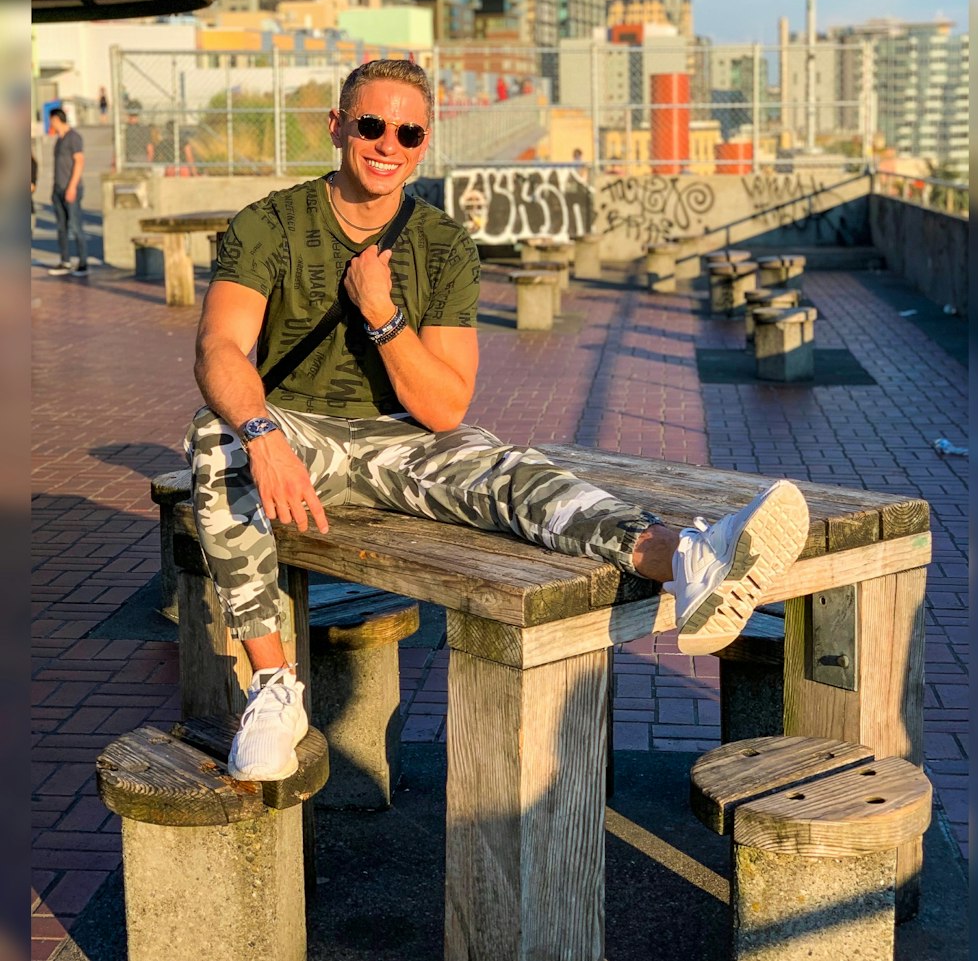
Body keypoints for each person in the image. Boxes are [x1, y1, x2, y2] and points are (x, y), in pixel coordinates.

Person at [187, 59, 809, 782]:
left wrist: (382, 313)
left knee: (514, 474)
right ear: (337, 126)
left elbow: (446, 406)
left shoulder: (442, 243)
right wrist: (263, 435)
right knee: (217, 437)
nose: (388, 143)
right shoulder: (272, 223)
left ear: (424, 144)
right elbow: (218, 347)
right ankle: (274, 688)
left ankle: (690, 560)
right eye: (371, 124)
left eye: (408, 131)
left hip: (404, 436)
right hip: (297, 428)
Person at [47, 108, 88, 277]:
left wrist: (72, 186)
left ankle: (83, 263)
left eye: (52, 120)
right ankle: (65, 261)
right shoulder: (59, 140)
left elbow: (79, 162)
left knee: (76, 226)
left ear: (57, 119)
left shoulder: (74, 138)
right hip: (58, 189)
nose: (50, 124)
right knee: (61, 227)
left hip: (71, 189)